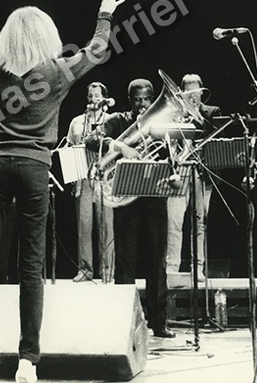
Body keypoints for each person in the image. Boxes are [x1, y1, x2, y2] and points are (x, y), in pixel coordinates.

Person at [0, 0, 125, 383]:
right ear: (47, 37)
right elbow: (96, 49)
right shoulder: (57, 72)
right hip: (35, 167)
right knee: (30, 266)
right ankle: (28, 359)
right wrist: (105, 13)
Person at [85, 78, 175, 339]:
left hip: (154, 196)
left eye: (148, 99)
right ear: (130, 100)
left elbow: (170, 152)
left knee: (157, 262)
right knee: (125, 262)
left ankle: (159, 323)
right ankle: (124, 321)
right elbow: (92, 139)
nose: (144, 104)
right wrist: (120, 145)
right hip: (126, 198)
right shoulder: (118, 120)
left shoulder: (161, 123)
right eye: (138, 100)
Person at [166, 74, 220, 279]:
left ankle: (198, 268)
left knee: (200, 222)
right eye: (188, 93)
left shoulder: (211, 112)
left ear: (201, 92)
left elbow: (215, 136)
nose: (193, 97)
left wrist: (197, 118)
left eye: (196, 92)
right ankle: (172, 268)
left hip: (201, 172)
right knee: (174, 222)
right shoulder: (173, 115)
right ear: (181, 94)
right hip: (179, 171)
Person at [66, 81, 114, 283]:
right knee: (84, 226)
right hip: (84, 178)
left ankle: (107, 271)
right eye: (90, 96)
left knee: (106, 226)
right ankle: (85, 270)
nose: (93, 99)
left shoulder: (111, 119)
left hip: (104, 179)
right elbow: (69, 146)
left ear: (103, 97)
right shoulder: (77, 122)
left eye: (97, 95)